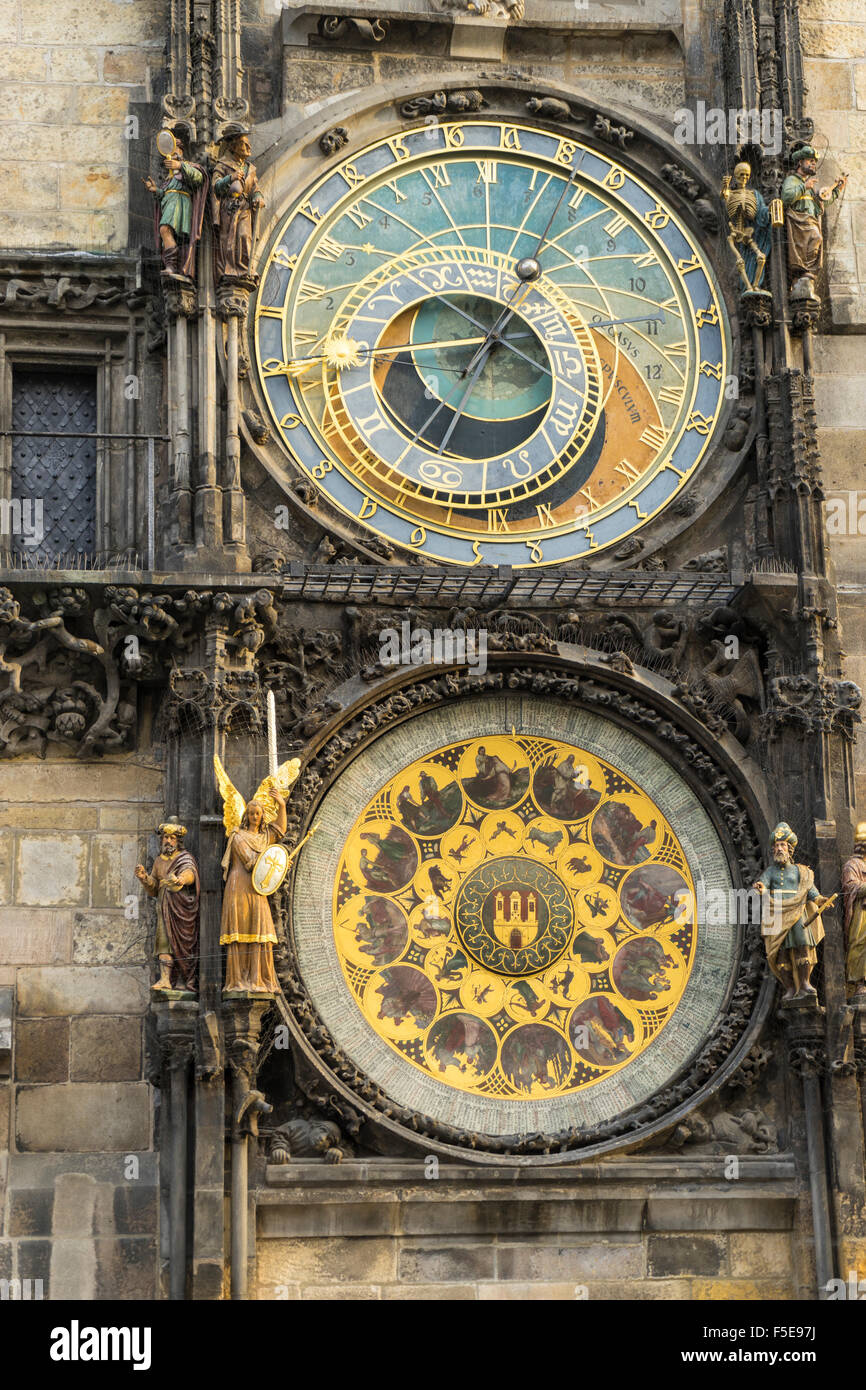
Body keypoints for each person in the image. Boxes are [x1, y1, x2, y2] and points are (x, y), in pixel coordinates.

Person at [752, 822, 832, 1000]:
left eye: (782, 845)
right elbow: (762, 884)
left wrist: (819, 899)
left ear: (789, 849)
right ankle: (789, 987)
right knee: (781, 952)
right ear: (773, 850)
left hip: (797, 912)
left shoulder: (800, 871)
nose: (779, 849)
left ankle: (804, 983)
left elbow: (809, 890)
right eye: (777, 846)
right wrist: (761, 888)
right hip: (777, 913)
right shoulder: (771, 872)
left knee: (802, 946)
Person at [220, 790, 286, 994]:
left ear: (262, 816)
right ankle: (239, 981)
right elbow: (250, 862)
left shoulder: (266, 836)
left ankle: (261, 980)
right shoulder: (238, 836)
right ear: (246, 816)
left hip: (258, 889)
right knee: (240, 931)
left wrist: (282, 805)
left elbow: (280, 830)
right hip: (240, 885)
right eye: (251, 813)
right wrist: (278, 864)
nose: (254, 817)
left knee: (262, 930)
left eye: (258, 813)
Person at [136, 821, 200, 992]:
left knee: (183, 944)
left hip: (181, 907)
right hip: (164, 907)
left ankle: (182, 979)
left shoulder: (184, 857)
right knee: (164, 943)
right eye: (166, 837)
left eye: (172, 838)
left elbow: (190, 873)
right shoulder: (159, 861)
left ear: (178, 841)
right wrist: (145, 878)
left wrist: (181, 879)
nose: (168, 841)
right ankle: (165, 979)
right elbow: (155, 888)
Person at [781, 145, 847, 291]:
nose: (813, 164)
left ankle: (806, 272)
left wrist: (836, 190)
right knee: (815, 237)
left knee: (817, 239)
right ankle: (801, 273)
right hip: (799, 223)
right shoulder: (792, 180)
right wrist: (804, 186)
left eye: (814, 162)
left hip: (811, 221)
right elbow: (786, 197)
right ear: (800, 162)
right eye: (809, 160)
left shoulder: (811, 185)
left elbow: (821, 201)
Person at [144, 138, 206, 279]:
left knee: (164, 229)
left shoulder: (188, 166)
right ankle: (173, 266)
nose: (171, 154)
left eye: (174, 150)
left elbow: (199, 178)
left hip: (180, 204)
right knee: (167, 233)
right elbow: (166, 193)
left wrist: (180, 165)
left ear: (180, 151)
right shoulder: (169, 176)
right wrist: (156, 190)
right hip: (170, 204)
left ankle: (172, 265)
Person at [212, 125, 265, 283]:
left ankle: (244, 269)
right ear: (233, 147)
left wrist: (258, 197)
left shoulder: (251, 169)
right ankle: (230, 269)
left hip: (245, 208)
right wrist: (230, 178)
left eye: (248, 143)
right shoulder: (223, 165)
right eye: (243, 143)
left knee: (244, 236)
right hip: (229, 207)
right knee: (229, 238)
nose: (248, 146)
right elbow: (215, 186)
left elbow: (255, 187)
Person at [842, 822, 866, 997]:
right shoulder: (852, 865)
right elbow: (850, 886)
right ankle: (858, 982)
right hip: (861, 913)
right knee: (859, 944)